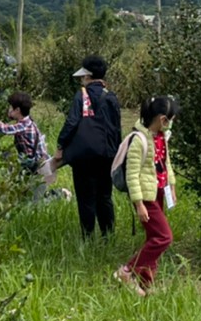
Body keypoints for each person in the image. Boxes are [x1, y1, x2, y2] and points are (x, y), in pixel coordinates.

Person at [115, 95, 179, 298]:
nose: (171, 123)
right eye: (171, 119)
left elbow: (166, 164)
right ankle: (126, 271)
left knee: (153, 238)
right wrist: (139, 204)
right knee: (164, 237)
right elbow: (132, 174)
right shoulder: (139, 140)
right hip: (146, 198)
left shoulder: (161, 137)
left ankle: (145, 283)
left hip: (158, 193)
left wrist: (172, 187)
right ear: (162, 119)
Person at [55, 56, 122, 237]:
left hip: (84, 157)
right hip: (106, 155)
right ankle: (108, 235)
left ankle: (87, 236)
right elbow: (116, 128)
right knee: (104, 196)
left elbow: (72, 122)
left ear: (87, 76)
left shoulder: (82, 95)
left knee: (86, 198)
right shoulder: (111, 97)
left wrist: (61, 144)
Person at [0, 91, 67, 201]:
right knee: (23, 199)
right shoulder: (26, 122)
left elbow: (3, 128)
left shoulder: (24, 125)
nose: (9, 110)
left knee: (34, 204)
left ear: (17, 110)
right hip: (31, 167)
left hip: (41, 169)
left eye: (11, 108)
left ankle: (61, 194)